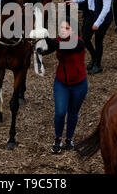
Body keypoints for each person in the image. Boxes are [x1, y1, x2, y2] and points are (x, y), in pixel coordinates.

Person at [38, 17, 88, 154]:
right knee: (60, 112)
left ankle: (69, 139)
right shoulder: (59, 41)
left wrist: (46, 36)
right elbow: (49, 48)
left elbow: (61, 47)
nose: (63, 30)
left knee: (73, 113)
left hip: (79, 84)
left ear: (73, 30)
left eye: (66, 28)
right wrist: (40, 46)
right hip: (61, 83)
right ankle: (58, 138)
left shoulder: (79, 42)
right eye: (61, 28)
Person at [66, 0, 113, 74]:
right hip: (91, 14)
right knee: (85, 39)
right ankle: (94, 57)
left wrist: (97, 23)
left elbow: (106, 9)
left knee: (98, 41)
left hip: (102, 18)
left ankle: (98, 65)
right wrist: (74, 1)